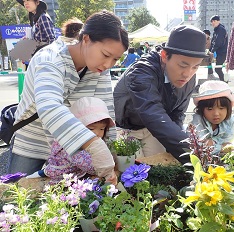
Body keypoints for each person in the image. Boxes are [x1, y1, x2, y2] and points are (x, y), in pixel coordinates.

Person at [9, 10, 129, 176]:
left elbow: (106, 111)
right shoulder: (50, 58)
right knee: (19, 194)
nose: (109, 64)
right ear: (86, 39)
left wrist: (111, 153)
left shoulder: (99, 69)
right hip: (34, 140)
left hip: (72, 147)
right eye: (106, 55)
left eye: (116, 59)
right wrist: (96, 146)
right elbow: (49, 107)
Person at [113, 25, 207, 164]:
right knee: (130, 173)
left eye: (195, 67)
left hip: (155, 130)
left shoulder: (190, 79)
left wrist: (179, 147)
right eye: (182, 65)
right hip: (125, 128)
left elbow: (177, 114)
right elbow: (152, 113)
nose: (187, 74)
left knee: (164, 169)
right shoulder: (141, 71)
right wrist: (194, 153)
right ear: (164, 56)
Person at [27, 97, 117, 184]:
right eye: (91, 129)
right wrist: (108, 171)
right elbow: (91, 167)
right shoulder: (72, 144)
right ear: (76, 127)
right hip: (60, 180)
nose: (97, 133)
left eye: (102, 129)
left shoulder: (87, 142)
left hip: (75, 174)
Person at [189, 81, 234, 156]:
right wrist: (221, 146)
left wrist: (212, 143)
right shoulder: (198, 120)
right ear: (202, 109)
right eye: (210, 109)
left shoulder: (229, 119)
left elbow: (228, 141)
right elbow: (201, 146)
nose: (216, 113)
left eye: (221, 108)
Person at [210, 15, 228, 82]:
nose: (213, 23)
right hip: (219, 52)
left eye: (214, 21)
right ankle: (223, 82)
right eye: (212, 21)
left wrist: (212, 51)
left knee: (218, 69)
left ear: (218, 21)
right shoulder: (216, 30)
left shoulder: (221, 30)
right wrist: (209, 51)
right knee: (217, 68)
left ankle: (223, 82)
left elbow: (218, 42)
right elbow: (213, 42)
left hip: (222, 52)